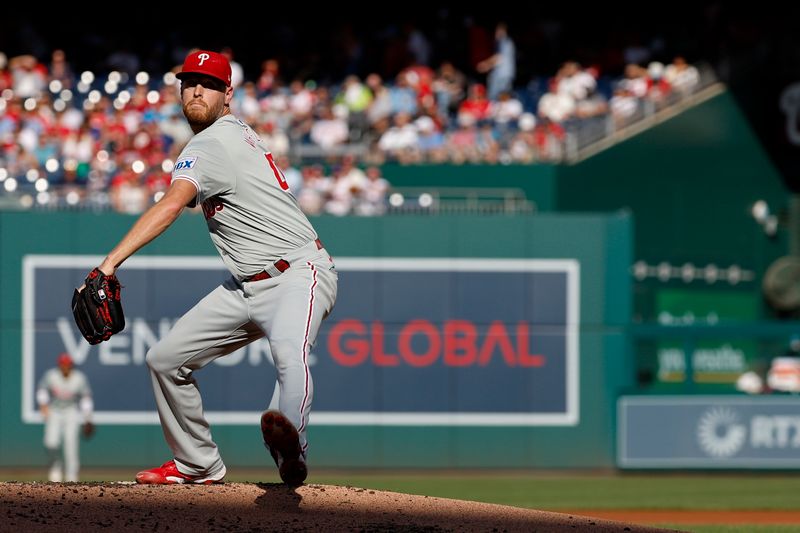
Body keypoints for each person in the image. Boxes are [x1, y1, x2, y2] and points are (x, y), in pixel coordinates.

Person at [80, 50, 338, 486]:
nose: (197, 90)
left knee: (290, 355)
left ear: (228, 95)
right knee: (164, 360)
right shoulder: (229, 135)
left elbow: (171, 204)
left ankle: (291, 446)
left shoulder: (212, 141)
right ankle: (197, 463)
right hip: (245, 286)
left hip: (297, 272)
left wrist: (109, 264)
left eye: (210, 84)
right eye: (190, 82)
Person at [36, 353, 93, 482]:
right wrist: (43, 404)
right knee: (50, 442)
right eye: (63, 364)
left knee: (70, 444)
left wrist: (87, 417)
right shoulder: (51, 376)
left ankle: (71, 475)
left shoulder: (79, 378)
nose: (65, 367)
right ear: (59, 365)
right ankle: (55, 466)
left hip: (71, 411)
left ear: (71, 365)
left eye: (68, 365)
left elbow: (85, 398)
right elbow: (42, 389)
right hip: (54, 411)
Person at [476, 22, 516, 101]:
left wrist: (486, 65)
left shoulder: (505, 42)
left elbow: (499, 58)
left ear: (504, 31)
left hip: (502, 76)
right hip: (501, 75)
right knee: (499, 98)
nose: (496, 33)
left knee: (495, 98)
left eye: (498, 31)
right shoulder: (500, 43)